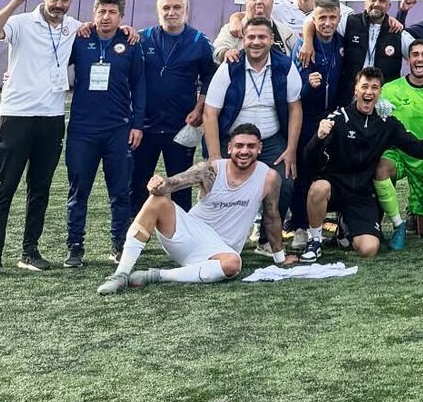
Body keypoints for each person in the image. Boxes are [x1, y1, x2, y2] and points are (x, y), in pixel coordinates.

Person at [96, 124, 287, 293]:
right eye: (239, 146)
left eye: (251, 146)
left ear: (260, 148)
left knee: (233, 264)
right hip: (190, 236)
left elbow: (272, 217)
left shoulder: (269, 177)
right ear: (229, 148)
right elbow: (173, 183)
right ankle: (120, 275)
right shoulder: (211, 169)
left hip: (221, 251)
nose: (244, 151)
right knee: (157, 200)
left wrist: (280, 259)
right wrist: (158, 184)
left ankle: (156, 275)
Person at [0, 0, 79, 279]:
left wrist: (127, 31)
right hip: (15, 117)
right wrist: (15, 0)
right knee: (3, 188)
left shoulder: (74, 27)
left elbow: (102, 31)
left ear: (71, 0)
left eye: (64, 0)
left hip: (51, 119)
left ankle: (29, 251)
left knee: (40, 189)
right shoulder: (21, 22)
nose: (58, 5)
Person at [301, 68, 423, 260]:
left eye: (374, 88)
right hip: (335, 187)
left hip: (362, 194)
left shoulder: (387, 123)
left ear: (380, 92)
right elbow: (308, 159)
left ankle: (345, 228)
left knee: (369, 249)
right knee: (319, 188)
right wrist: (318, 138)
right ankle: (315, 240)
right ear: (356, 89)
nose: (369, 92)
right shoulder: (338, 118)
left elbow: (418, 150)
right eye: (364, 87)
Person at [202, 17, 302, 252]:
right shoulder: (230, 67)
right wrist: (215, 157)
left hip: (271, 140)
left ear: (271, 39)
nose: (256, 42)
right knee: (220, 186)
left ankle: (267, 241)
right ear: (243, 39)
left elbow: (295, 108)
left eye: (262, 37)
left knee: (285, 182)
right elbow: (210, 113)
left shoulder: (285, 65)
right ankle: (217, 241)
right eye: (251, 37)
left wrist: (291, 149)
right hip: (233, 140)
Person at [63, 0, 145, 268]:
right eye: (101, 11)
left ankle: (119, 245)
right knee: (78, 191)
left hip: (118, 130)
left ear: (121, 16)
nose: (106, 17)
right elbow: (52, 61)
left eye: (112, 12)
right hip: (82, 130)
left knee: (120, 192)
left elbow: (139, 86)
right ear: (93, 13)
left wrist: (137, 124)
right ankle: (75, 247)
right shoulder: (80, 39)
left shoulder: (131, 43)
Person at [133, 0, 214, 215]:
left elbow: (210, 77)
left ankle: (181, 230)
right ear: (158, 11)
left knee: (181, 186)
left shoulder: (199, 41)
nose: (171, 12)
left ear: (186, 10)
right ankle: (135, 229)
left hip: (181, 127)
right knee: (137, 183)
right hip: (144, 127)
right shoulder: (142, 38)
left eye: (177, 7)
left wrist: (199, 108)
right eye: (165, 8)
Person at [286, 0, 345, 250]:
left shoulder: (342, 42)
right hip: (308, 120)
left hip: (334, 117)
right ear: (314, 19)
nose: (327, 23)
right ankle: (299, 227)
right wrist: (309, 86)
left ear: (339, 18)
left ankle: (338, 225)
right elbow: (293, 92)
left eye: (332, 17)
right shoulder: (303, 46)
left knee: (334, 170)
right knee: (303, 172)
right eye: (322, 18)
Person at [378, 39, 423, 238]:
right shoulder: (390, 89)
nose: (419, 59)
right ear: (408, 60)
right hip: (398, 154)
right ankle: (381, 223)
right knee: (381, 170)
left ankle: (415, 214)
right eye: (415, 55)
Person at [330, 0, 408, 98]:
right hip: (350, 98)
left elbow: (420, 55)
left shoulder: (397, 31)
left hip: (384, 99)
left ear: (388, 6)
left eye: (382, 0)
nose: (376, 4)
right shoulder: (349, 23)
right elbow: (315, 20)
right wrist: (308, 43)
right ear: (365, 3)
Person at [214, 0, 296, 63]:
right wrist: (225, 53)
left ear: (272, 3)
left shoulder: (286, 33)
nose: (259, 1)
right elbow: (217, 50)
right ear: (246, 3)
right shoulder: (231, 29)